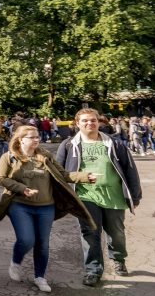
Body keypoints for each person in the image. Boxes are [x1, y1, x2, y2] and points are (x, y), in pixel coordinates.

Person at [0, 125, 96, 293]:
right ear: (21, 139)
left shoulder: (45, 156)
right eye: (32, 137)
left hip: (46, 206)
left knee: (43, 243)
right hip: (19, 205)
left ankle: (40, 277)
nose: (37, 139)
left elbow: (64, 175)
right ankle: (16, 261)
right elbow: (1, 179)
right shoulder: (9, 157)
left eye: (37, 137)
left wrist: (85, 177)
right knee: (27, 239)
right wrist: (22, 189)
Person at [56, 108, 142, 286]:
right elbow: (59, 173)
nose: (90, 123)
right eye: (85, 120)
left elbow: (130, 170)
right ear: (77, 123)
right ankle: (93, 270)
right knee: (90, 233)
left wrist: (135, 195)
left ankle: (118, 259)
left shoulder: (115, 144)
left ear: (99, 122)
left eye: (93, 120)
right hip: (85, 196)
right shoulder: (68, 144)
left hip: (114, 196)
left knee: (116, 233)